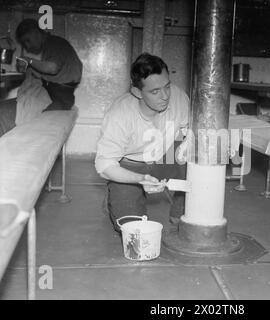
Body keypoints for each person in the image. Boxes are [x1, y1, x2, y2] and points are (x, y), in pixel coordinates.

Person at [95, 53, 189, 233]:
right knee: (132, 228)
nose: (165, 96)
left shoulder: (177, 96)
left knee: (203, 147)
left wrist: (188, 141)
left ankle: (181, 210)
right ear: (137, 92)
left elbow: (190, 127)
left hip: (163, 158)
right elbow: (104, 165)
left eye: (167, 87)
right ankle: (116, 197)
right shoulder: (119, 114)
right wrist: (140, 179)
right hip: (132, 165)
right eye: (155, 91)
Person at [15, 18, 82, 111]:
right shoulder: (51, 44)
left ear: (36, 32)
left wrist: (28, 60)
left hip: (60, 96)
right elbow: (50, 74)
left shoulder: (54, 43)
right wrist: (30, 67)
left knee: (30, 112)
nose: (27, 47)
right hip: (60, 93)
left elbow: (52, 68)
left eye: (27, 40)